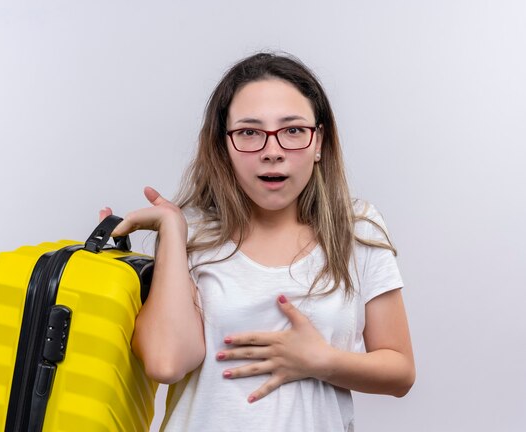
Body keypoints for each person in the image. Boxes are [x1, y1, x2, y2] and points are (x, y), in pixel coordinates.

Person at [100, 52, 415, 431]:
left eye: (293, 130)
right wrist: (172, 231)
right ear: (223, 146)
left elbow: (400, 370)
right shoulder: (193, 233)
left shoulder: (357, 229)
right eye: (249, 132)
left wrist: (320, 360)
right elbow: (166, 362)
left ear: (319, 143)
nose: (272, 150)